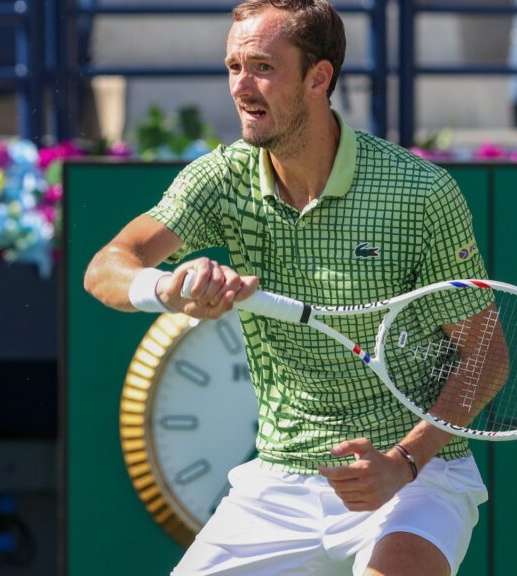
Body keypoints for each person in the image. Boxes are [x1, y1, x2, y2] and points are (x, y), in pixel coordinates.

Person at [83, 1, 493, 574]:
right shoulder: (221, 178)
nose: (241, 86)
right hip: (277, 481)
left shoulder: (419, 192)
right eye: (232, 67)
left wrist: (403, 461)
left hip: (415, 481)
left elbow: (484, 355)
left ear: (318, 77)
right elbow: (106, 266)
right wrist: (169, 290)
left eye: (261, 67)